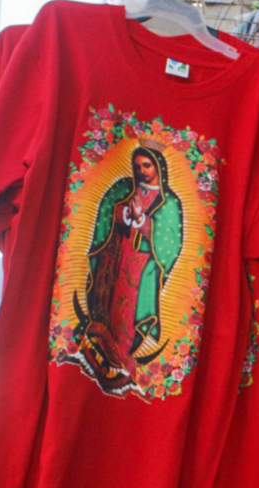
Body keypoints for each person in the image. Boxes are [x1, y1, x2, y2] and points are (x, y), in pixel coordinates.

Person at [79, 142, 185, 391]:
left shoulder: (169, 201)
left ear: (158, 166)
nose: (142, 171)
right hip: (116, 256)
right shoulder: (124, 189)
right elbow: (108, 212)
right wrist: (123, 212)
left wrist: (143, 221)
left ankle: (124, 364)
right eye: (137, 166)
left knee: (126, 319)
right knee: (107, 309)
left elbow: (170, 239)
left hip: (141, 267)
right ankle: (103, 358)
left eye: (147, 165)